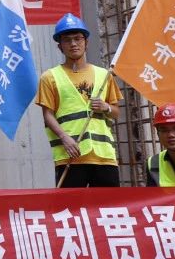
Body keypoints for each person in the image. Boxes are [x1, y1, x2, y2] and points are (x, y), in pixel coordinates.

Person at [36, 13, 121, 187]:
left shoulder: (104, 75)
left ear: (86, 42)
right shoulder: (50, 77)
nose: (73, 44)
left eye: (77, 38)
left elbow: (116, 112)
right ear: (60, 46)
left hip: (104, 156)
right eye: (67, 40)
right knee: (70, 204)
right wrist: (64, 137)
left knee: (108, 204)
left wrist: (105, 107)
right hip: (70, 154)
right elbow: (48, 114)